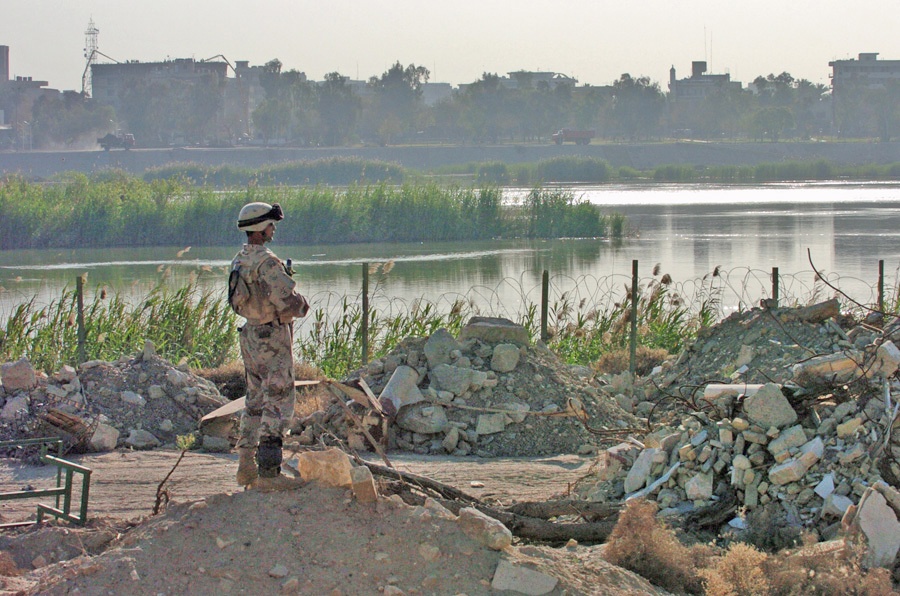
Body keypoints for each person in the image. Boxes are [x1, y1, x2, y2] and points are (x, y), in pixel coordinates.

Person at [230, 201, 309, 491]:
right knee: (278, 399)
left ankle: (245, 465)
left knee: (254, 399)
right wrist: (301, 305)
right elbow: (289, 302)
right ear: (262, 229)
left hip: (250, 334)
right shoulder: (268, 262)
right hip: (272, 337)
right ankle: (269, 473)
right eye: (271, 225)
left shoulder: (239, 259)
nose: (273, 229)